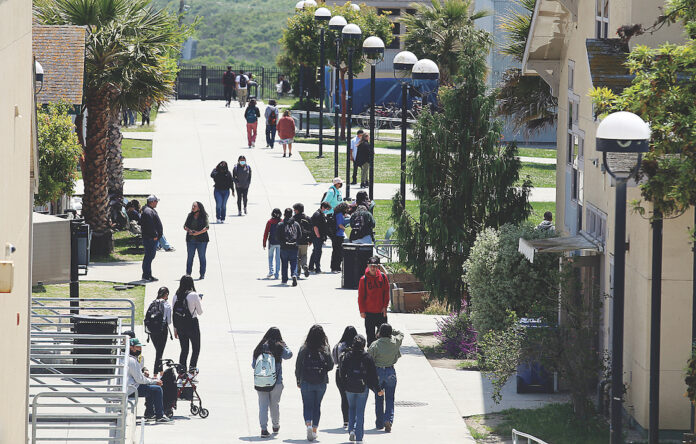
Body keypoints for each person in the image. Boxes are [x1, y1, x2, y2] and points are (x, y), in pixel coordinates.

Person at [338, 335, 383, 443]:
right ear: (363, 345)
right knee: (360, 411)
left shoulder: (348, 355)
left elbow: (342, 372)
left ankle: (351, 430)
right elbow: (373, 376)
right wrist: (378, 389)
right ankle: (359, 437)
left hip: (349, 387)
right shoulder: (367, 357)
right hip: (363, 387)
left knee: (351, 408)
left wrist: (344, 385)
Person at [295, 325, 334, 442]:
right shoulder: (325, 348)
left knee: (307, 405)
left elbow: (298, 366)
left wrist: (298, 379)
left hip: (306, 380)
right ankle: (315, 430)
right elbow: (331, 365)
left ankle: (308, 425)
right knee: (317, 405)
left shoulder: (304, 348)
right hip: (321, 381)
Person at [252, 327, 293, 438]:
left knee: (263, 406)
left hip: (261, 381)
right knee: (274, 404)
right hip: (276, 381)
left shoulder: (259, 347)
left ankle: (263, 429)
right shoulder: (279, 347)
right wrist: (285, 346)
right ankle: (275, 426)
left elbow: (253, 365)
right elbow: (289, 355)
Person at [368, 323, 403, 433]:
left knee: (379, 397)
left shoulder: (375, 344)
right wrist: (391, 330)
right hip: (390, 371)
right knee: (390, 398)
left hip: (378, 372)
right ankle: (388, 419)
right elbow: (401, 334)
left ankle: (379, 423)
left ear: (379, 333)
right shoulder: (395, 342)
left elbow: (369, 360)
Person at [127, 338, 171, 422]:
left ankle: (149, 413)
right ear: (131, 348)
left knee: (150, 387)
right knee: (157, 389)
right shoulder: (132, 360)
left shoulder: (126, 358)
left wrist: (149, 379)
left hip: (129, 387)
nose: (140, 349)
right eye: (137, 347)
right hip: (131, 390)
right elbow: (140, 380)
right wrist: (154, 381)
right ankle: (160, 415)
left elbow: (137, 377)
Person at [171, 275, 203, 371]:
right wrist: (199, 301)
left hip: (180, 326)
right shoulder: (194, 295)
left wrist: (175, 329)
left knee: (184, 349)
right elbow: (200, 312)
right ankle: (192, 368)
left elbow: (174, 313)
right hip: (192, 324)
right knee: (196, 348)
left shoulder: (175, 296)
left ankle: (182, 370)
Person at [358, 256, 390, 345]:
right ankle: (371, 356)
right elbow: (361, 297)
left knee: (384, 337)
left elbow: (386, 293)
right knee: (370, 338)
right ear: (368, 266)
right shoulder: (363, 280)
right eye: (371, 266)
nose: (373, 268)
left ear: (378, 266)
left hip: (381, 312)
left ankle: (382, 355)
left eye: (375, 266)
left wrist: (385, 307)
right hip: (369, 313)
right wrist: (362, 311)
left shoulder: (383, 277)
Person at [332, 326, 358, 429]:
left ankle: (345, 421)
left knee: (344, 397)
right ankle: (354, 419)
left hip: (340, 373)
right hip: (355, 374)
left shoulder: (338, 346)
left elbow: (334, 361)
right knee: (355, 398)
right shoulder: (358, 345)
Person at [144, 286, 172, 374]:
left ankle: (161, 371)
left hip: (151, 330)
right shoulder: (167, 305)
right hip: (162, 330)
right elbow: (169, 321)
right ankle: (155, 373)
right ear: (166, 294)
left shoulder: (152, 303)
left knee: (158, 351)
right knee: (159, 353)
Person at [183, 201, 209, 280]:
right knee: (190, 257)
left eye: (195, 206)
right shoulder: (190, 215)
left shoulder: (204, 216)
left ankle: (202, 274)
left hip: (202, 240)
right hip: (191, 240)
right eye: (192, 206)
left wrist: (198, 233)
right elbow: (185, 226)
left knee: (202, 257)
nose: (193, 208)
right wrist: (189, 231)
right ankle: (188, 274)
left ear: (199, 208)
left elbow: (207, 227)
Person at [140, 195, 163, 282]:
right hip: (150, 238)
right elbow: (150, 225)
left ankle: (148, 275)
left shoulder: (149, 210)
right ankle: (146, 275)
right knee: (149, 257)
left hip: (151, 238)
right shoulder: (148, 211)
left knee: (149, 257)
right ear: (152, 201)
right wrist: (154, 235)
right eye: (156, 201)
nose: (157, 203)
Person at [276, 208, 301, 286]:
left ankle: (284, 279)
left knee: (284, 263)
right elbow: (300, 235)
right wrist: (295, 242)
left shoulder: (280, 224)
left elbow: (277, 236)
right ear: (292, 214)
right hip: (294, 247)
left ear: (284, 214)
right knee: (294, 262)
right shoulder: (296, 224)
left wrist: (282, 243)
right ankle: (294, 274)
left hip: (284, 247)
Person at [308, 202, 331, 274]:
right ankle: (317, 269)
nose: (327, 211)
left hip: (318, 237)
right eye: (327, 209)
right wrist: (318, 236)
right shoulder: (317, 215)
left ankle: (311, 267)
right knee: (318, 252)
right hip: (317, 237)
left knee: (315, 251)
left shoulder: (321, 214)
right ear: (323, 207)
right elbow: (315, 227)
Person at [292, 203, 313, 278]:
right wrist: (310, 240)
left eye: (294, 209)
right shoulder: (307, 218)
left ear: (297, 210)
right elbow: (311, 230)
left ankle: (298, 272)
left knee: (296, 257)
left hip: (296, 241)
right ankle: (304, 265)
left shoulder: (293, 218)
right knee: (304, 255)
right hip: (305, 241)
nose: (294, 211)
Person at [263, 208, 282, 279]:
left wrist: (264, 242)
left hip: (272, 242)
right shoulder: (282, 221)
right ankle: (277, 274)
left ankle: (271, 271)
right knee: (278, 258)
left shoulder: (270, 222)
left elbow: (266, 233)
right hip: (280, 243)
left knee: (270, 257)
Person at [331, 202, 349, 273]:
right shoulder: (339, 215)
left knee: (337, 252)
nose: (347, 210)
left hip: (337, 235)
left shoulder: (338, 214)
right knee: (337, 252)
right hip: (338, 235)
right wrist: (345, 229)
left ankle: (335, 267)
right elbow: (340, 225)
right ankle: (335, 267)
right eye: (347, 209)